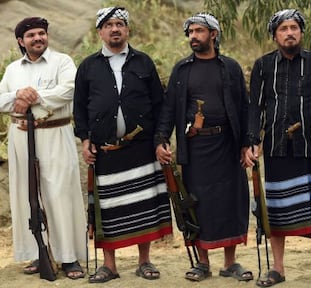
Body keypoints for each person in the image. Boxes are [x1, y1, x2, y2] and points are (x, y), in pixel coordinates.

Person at [73, 7, 172, 283]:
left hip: (141, 147)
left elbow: (160, 104)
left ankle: (145, 261)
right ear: (100, 32)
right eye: (108, 25)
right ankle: (109, 265)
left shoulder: (143, 62)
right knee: (108, 208)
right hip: (106, 150)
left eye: (119, 24)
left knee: (143, 205)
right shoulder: (88, 67)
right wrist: (85, 140)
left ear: (127, 30)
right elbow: (79, 108)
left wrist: (160, 139)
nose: (114, 29)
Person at [155, 12, 253, 282]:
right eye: (191, 32)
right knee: (197, 203)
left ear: (213, 34)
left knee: (230, 202)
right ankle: (202, 262)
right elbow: (169, 108)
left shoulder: (230, 67)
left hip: (227, 144)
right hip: (195, 147)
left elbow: (244, 108)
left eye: (199, 31)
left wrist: (247, 144)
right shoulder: (182, 70)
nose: (194, 36)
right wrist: (161, 139)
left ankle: (230, 262)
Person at [243, 9, 311, 287]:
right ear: (275, 35)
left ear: (301, 32)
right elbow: (255, 107)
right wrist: (252, 141)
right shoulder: (262, 66)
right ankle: (278, 269)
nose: (289, 32)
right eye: (283, 28)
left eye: (294, 27)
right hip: (276, 147)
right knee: (276, 210)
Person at [0, 17, 86, 279]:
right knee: (28, 195)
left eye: (41, 34)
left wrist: (33, 98)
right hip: (20, 137)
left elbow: (70, 90)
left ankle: (69, 257)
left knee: (60, 193)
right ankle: (39, 253)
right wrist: (17, 96)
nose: (38, 38)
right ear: (20, 41)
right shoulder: (13, 69)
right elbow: (1, 99)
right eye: (31, 35)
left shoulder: (62, 62)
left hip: (55, 135)